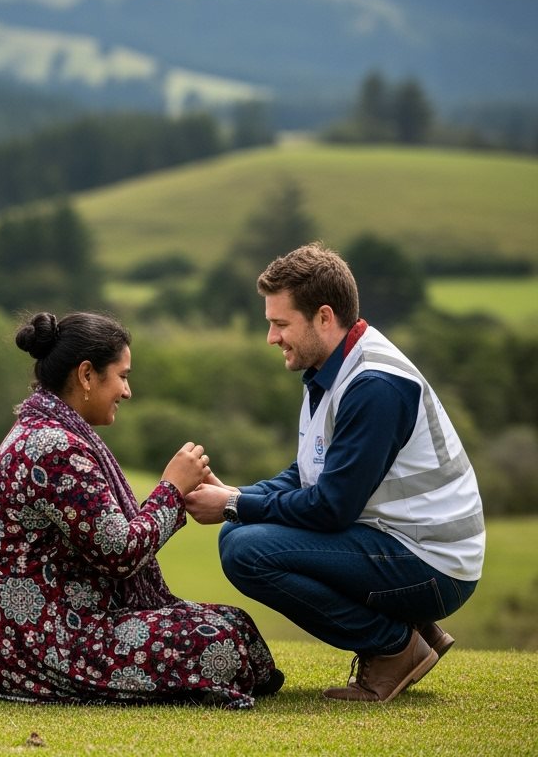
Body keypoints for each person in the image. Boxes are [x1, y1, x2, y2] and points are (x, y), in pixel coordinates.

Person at [185, 243, 485, 703]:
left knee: (246, 551)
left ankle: (393, 648)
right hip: (405, 545)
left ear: (324, 318)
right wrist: (238, 495)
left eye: (280, 324)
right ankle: (409, 630)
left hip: (434, 564)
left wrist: (232, 504)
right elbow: (308, 473)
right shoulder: (335, 366)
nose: (271, 337)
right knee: (238, 535)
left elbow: (331, 508)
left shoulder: (373, 385)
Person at [0, 311, 281, 709]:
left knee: (235, 625)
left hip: (29, 634)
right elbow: (119, 553)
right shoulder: (55, 449)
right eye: (123, 375)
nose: (127, 391)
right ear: (86, 375)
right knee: (217, 643)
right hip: (33, 646)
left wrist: (174, 493)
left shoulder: (52, 433)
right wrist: (170, 489)